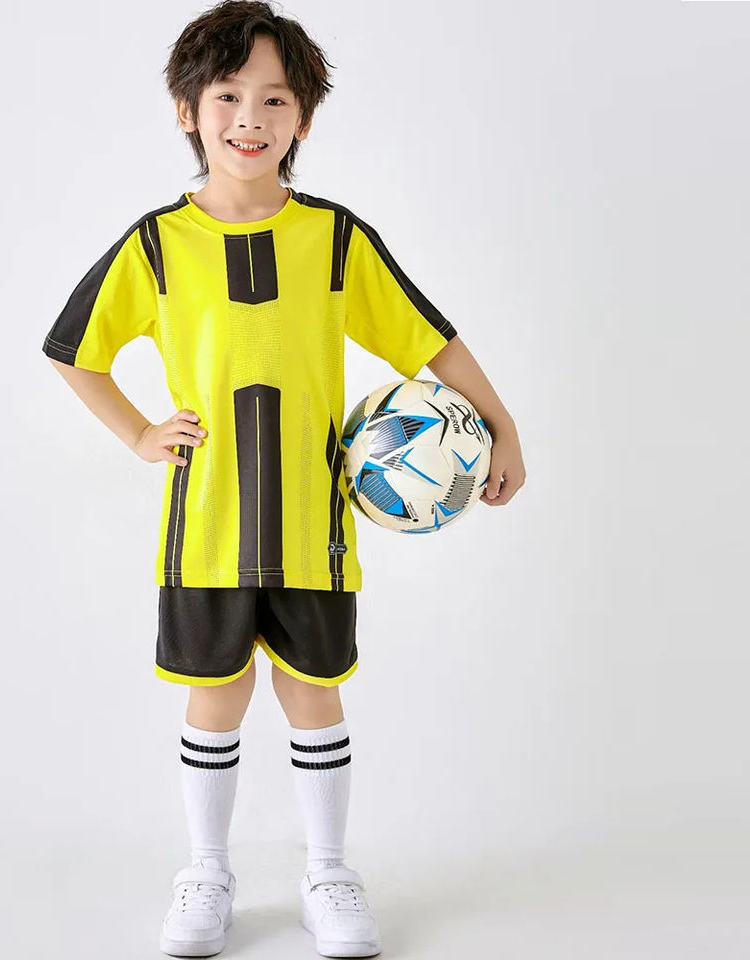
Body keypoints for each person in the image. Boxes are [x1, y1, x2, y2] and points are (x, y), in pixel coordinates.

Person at [41, 2, 525, 956]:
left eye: (274, 98)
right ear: (188, 109)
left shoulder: (336, 240)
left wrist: (501, 425)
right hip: (207, 525)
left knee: (313, 693)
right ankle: (206, 872)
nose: (249, 118)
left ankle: (328, 872)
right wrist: (140, 434)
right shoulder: (156, 245)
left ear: (303, 116)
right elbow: (73, 350)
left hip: (313, 525)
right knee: (214, 696)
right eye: (228, 96)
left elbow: (430, 341)